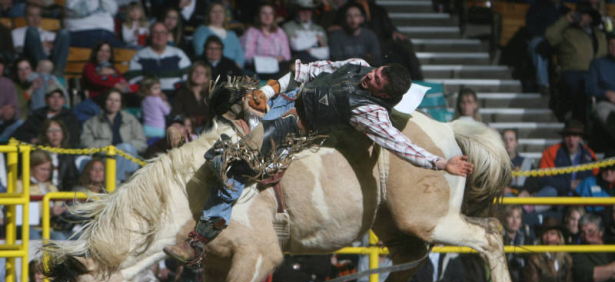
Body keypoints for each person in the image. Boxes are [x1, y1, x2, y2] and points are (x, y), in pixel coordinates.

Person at [164, 58, 474, 263]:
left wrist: (440, 163)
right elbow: (306, 71)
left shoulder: (371, 113)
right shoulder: (357, 65)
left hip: (293, 129)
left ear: (383, 96)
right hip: (285, 99)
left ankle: (198, 241)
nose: (371, 75)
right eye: (376, 72)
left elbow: (400, 143)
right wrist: (266, 90)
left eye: (376, 80)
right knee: (231, 96)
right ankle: (193, 144)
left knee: (236, 165)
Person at [546, 1, 607, 120]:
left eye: (585, 14)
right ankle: (577, 119)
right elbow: (550, 36)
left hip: (597, 74)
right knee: (581, 87)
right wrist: (567, 19)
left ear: (590, 17)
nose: (581, 17)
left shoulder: (600, 34)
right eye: (579, 14)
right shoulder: (568, 32)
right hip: (574, 72)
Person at [80, 89, 146, 182]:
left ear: (120, 103)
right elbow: (86, 144)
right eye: (110, 99)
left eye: (116, 100)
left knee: (126, 148)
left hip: (128, 158)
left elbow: (142, 143)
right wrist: (111, 148)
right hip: (103, 160)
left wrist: (122, 148)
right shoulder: (91, 122)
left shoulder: (131, 120)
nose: (113, 103)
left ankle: (118, 183)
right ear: (104, 101)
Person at [527, 119, 597, 198]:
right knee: (550, 191)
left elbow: (597, 178)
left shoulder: (589, 154)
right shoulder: (551, 152)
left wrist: (582, 184)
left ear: (580, 138)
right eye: (568, 135)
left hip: (582, 199)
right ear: (563, 137)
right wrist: (569, 185)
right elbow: (543, 178)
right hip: (559, 197)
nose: (571, 139)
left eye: (575, 135)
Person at [125, 22, 192, 100]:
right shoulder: (140, 55)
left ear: (167, 35)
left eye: (163, 32)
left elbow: (188, 77)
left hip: (176, 96)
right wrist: (154, 93)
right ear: (150, 36)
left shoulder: (178, 53)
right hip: (150, 97)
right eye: (155, 32)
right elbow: (134, 79)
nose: (159, 35)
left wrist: (178, 92)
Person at [16, 150, 69, 240]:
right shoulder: (19, 185)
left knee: (60, 237)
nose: (46, 173)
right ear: (31, 168)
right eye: (42, 169)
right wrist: (49, 212)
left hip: (50, 228)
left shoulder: (51, 187)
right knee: (33, 237)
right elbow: (16, 212)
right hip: (27, 227)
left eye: (48, 169)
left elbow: (59, 205)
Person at [13, 82, 81, 147]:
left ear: (64, 100)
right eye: (52, 97)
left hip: (62, 153)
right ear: (45, 100)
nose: (56, 100)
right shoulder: (37, 116)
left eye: (59, 97)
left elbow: (74, 140)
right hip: (39, 152)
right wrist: (33, 140)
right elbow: (19, 134)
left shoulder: (70, 118)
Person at [11, 3, 70, 78]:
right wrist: (40, 46)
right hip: (33, 63)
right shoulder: (16, 33)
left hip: (52, 63)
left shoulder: (51, 35)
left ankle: (57, 71)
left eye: (38, 15)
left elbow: (61, 52)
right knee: (32, 31)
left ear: (41, 17)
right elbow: (18, 51)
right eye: (31, 15)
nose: (35, 19)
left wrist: (53, 48)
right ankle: (44, 69)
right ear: (25, 17)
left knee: (64, 33)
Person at [525, 0, 570, 95]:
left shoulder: (566, 11)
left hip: (561, 40)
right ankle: (543, 84)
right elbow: (531, 26)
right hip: (541, 38)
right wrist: (547, 36)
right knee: (539, 47)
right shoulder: (538, 7)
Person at [523, 217, 574, 282]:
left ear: (559, 238)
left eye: (552, 234)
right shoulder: (534, 260)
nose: (548, 237)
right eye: (545, 233)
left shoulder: (567, 259)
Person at [240, 3, 291, 80]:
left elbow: (286, 55)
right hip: (258, 68)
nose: (267, 16)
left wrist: (280, 58)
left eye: (270, 13)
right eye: (264, 13)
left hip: (277, 66)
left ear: (273, 16)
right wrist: (265, 61)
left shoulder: (280, 32)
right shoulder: (252, 32)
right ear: (258, 15)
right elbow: (248, 56)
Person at [192, 2, 245, 69]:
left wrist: (237, 66)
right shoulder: (202, 31)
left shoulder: (232, 34)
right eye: (214, 12)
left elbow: (240, 54)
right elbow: (200, 52)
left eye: (220, 12)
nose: (218, 15)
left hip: (232, 69)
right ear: (208, 15)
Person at [572, 212, 615, 282]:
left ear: (601, 232)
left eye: (590, 231)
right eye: (582, 233)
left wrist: (604, 272)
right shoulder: (578, 252)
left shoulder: (612, 245)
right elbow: (592, 276)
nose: (586, 237)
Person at [586, 35, 615, 145]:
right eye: (611, 44)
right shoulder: (598, 63)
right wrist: (607, 93)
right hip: (606, 103)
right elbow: (590, 88)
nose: (614, 48)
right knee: (603, 112)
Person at [37, 118, 79, 191]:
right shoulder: (38, 153)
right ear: (44, 134)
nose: (55, 134)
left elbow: (72, 179)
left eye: (58, 130)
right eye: (50, 131)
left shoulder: (68, 154)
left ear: (63, 133)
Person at [170, 61, 211, 128]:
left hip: (208, 128)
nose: (198, 75)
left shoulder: (211, 94)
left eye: (201, 73)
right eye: (195, 72)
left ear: (206, 78)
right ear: (190, 74)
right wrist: (184, 119)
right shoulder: (181, 92)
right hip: (187, 127)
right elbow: (175, 114)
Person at [500, 205, 528, 282]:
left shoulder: (527, 240)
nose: (515, 221)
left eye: (518, 217)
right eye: (510, 217)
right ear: (504, 219)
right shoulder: (498, 238)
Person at [501, 129, 535, 196]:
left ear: (516, 143)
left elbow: (533, 183)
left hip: (523, 196)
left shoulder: (526, 162)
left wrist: (526, 191)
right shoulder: (497, 163)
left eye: (511, 140)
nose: (508, 142)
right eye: (505, 140)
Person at [141, 76, 171, 143]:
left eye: (159, 88)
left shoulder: (144, 101)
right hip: (158, 129)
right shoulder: (158, 100)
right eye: (155, 88)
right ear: (147, 90)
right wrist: (165, 102)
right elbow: (167, 112)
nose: (159, 90)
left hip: (146, 128)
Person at [0, 55, 21, 143]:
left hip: (4, 123)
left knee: (21, 123)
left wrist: (12, 112)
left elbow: (16, 110)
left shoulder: (7, 83)